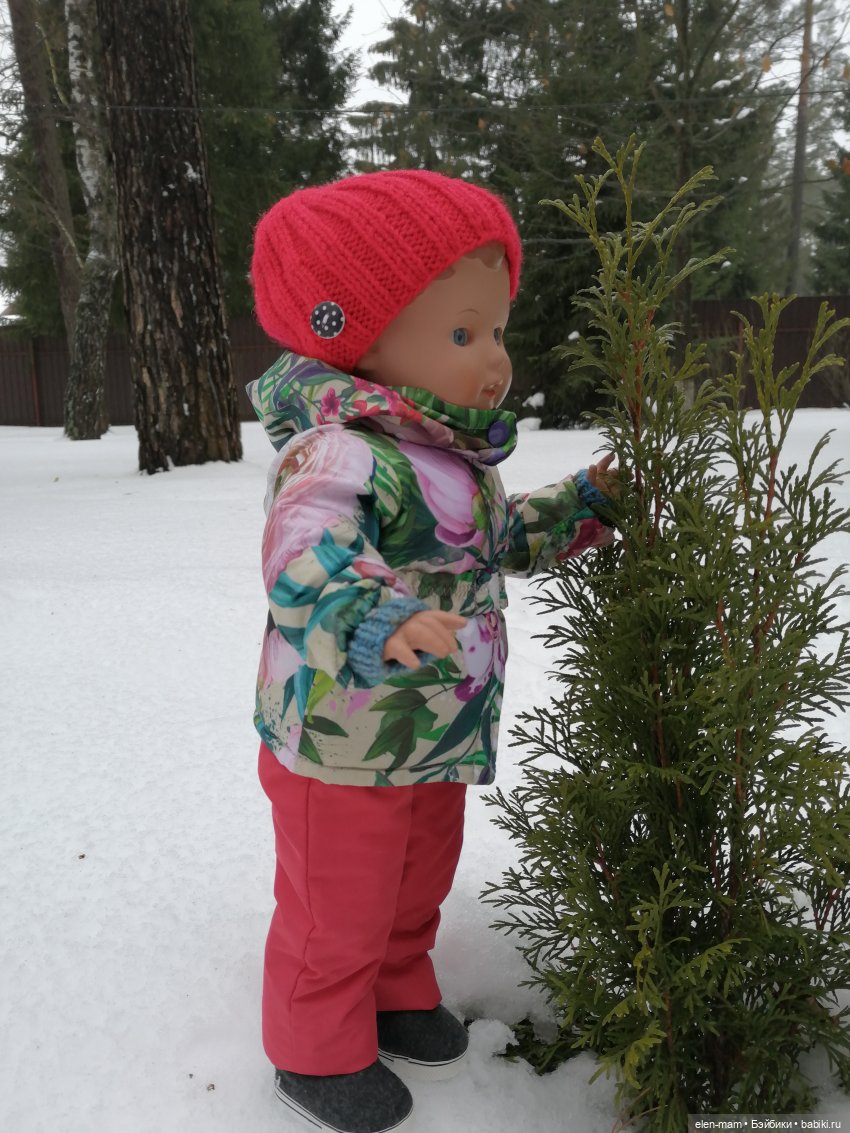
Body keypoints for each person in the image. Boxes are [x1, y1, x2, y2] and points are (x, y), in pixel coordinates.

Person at [247, 169, 617, 1133]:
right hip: (344, 737)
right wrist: (373, 618)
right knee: (341, 901)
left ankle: (401, 990)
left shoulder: (446, 454)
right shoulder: (339, 451)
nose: (493, 360)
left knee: (417, 877)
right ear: (356, 339)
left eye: (495, 330)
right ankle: (315, 1048)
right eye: (462, 334)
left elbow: (491, 546)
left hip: (433, 729)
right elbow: (304, 552)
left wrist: (580, 508)